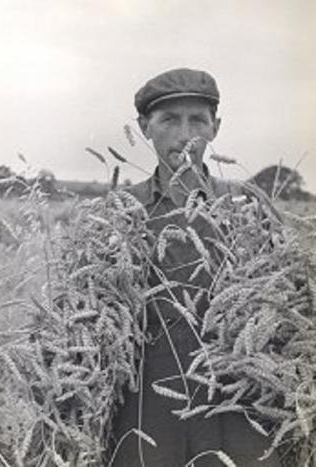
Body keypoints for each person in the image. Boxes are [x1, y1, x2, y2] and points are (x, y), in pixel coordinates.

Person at [111, 69, 281, 466]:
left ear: (215, 128)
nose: (184, 133)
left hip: (238, 395)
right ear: (144, 127)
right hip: (148, 401)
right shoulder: (118, 212)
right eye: (169, 120)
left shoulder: (248, 206)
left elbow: (283, 304)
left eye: (197, 120)